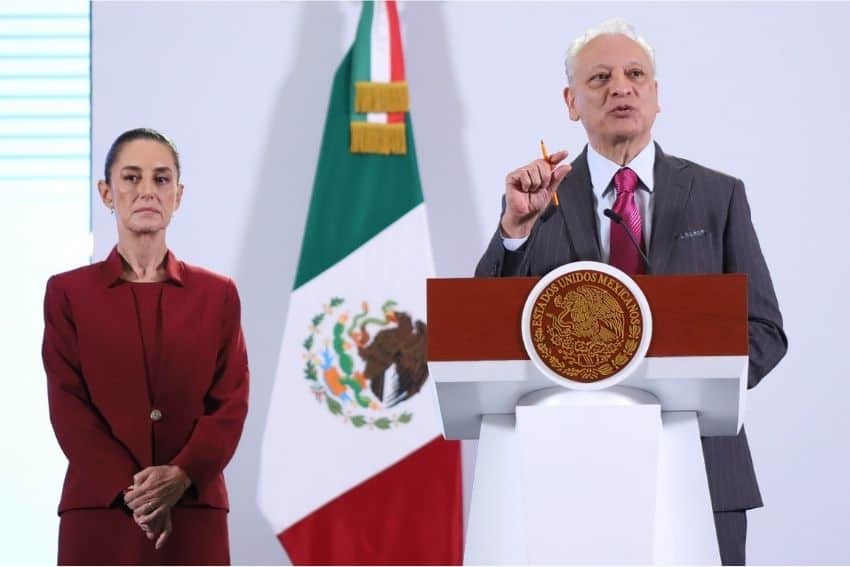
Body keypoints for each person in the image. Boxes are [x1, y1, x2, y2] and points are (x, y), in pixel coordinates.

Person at [475, 19, 787, 566]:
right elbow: (479, 331)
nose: (620, 87)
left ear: (656, 96)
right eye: (600, 77)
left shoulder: (718, 195)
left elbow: (764, 330)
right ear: (572, 102)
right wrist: (515, 230)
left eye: (635, 74)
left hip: (701, 462)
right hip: (563, 471)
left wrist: (702, 387)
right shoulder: (537, 199)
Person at [42, 128, 249, 565]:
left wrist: (182, 475)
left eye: (161, 179)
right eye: (131, 177)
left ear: (178, 194)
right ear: (106, 192)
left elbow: (230, 403)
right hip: (101, 512)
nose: (146, 191)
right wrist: (134, 493)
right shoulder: (68, 293)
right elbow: (68, 404)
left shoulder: (217, 294)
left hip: (193, 508)